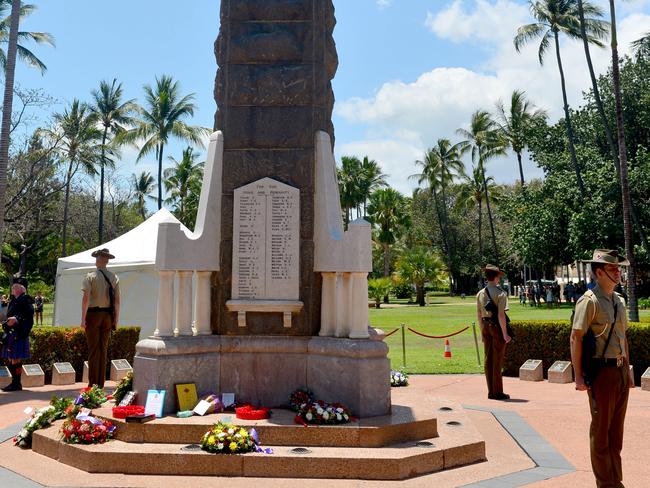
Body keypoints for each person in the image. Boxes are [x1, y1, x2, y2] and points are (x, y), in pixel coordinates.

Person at [570, 249, 633, 488]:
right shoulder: (589, 301)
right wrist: (578, 377)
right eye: (613, 269)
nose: (618, 272)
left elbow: (623, 338)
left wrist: (627, 369)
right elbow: (576, 338)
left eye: (619, 268)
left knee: (616, 434)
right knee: (601, 433)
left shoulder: (619, 301)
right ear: (599, 272)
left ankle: (615, 480)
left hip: (619, 371)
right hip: (601, 373)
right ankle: (606, 484)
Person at [81, 248, 120, 389]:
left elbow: (86, 299)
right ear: (107, 260)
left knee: (93, 350)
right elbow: (117, 301)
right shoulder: (114, 277)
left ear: (98, 260)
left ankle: (92, 384)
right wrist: (116, 318)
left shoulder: (90, 276)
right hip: (108, 316)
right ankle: (100, 384)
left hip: (93, 315)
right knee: (103, 350)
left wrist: (82, 318)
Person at [476, 264, 512, 400]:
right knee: (497, 360)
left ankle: (491, 390)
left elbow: (479, 315)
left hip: (485, 326)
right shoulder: (501, 293)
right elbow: (501, 316)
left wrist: (482, 333)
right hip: (496, 327)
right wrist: (505, 334)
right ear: (496, 277)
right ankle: (497, 392)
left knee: (488, 359)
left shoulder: (480, 293)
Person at [1, 278, 34, 392]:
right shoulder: (14, 300)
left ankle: (16, 384)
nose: (13, 288)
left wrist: (16, 319)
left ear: (22, 289)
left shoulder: (26, 300)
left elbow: (29, 314)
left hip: (19, 333)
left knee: (16, 359)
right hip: (11, 332)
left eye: (15, 287)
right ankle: (15, 383)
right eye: (13, 286)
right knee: (11, 358)